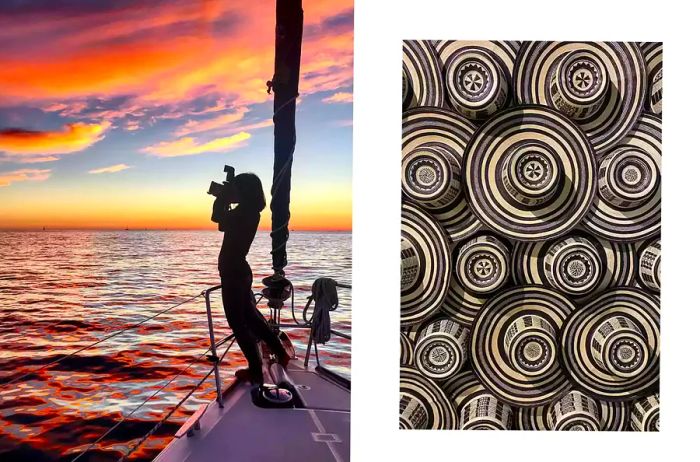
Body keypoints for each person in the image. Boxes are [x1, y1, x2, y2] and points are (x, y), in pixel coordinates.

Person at [211, 173, 290, 384]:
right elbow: (222, 224)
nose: (233, 192)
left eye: (236, 189)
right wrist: (227, 199)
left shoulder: (244, 213)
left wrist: (222, 199)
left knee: (237, 322)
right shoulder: (248, 212)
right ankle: (280, 352)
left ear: (244, 191)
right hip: (239, 271)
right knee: (252, 318)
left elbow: (217, 218)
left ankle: (255, 369)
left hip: (234, 273)